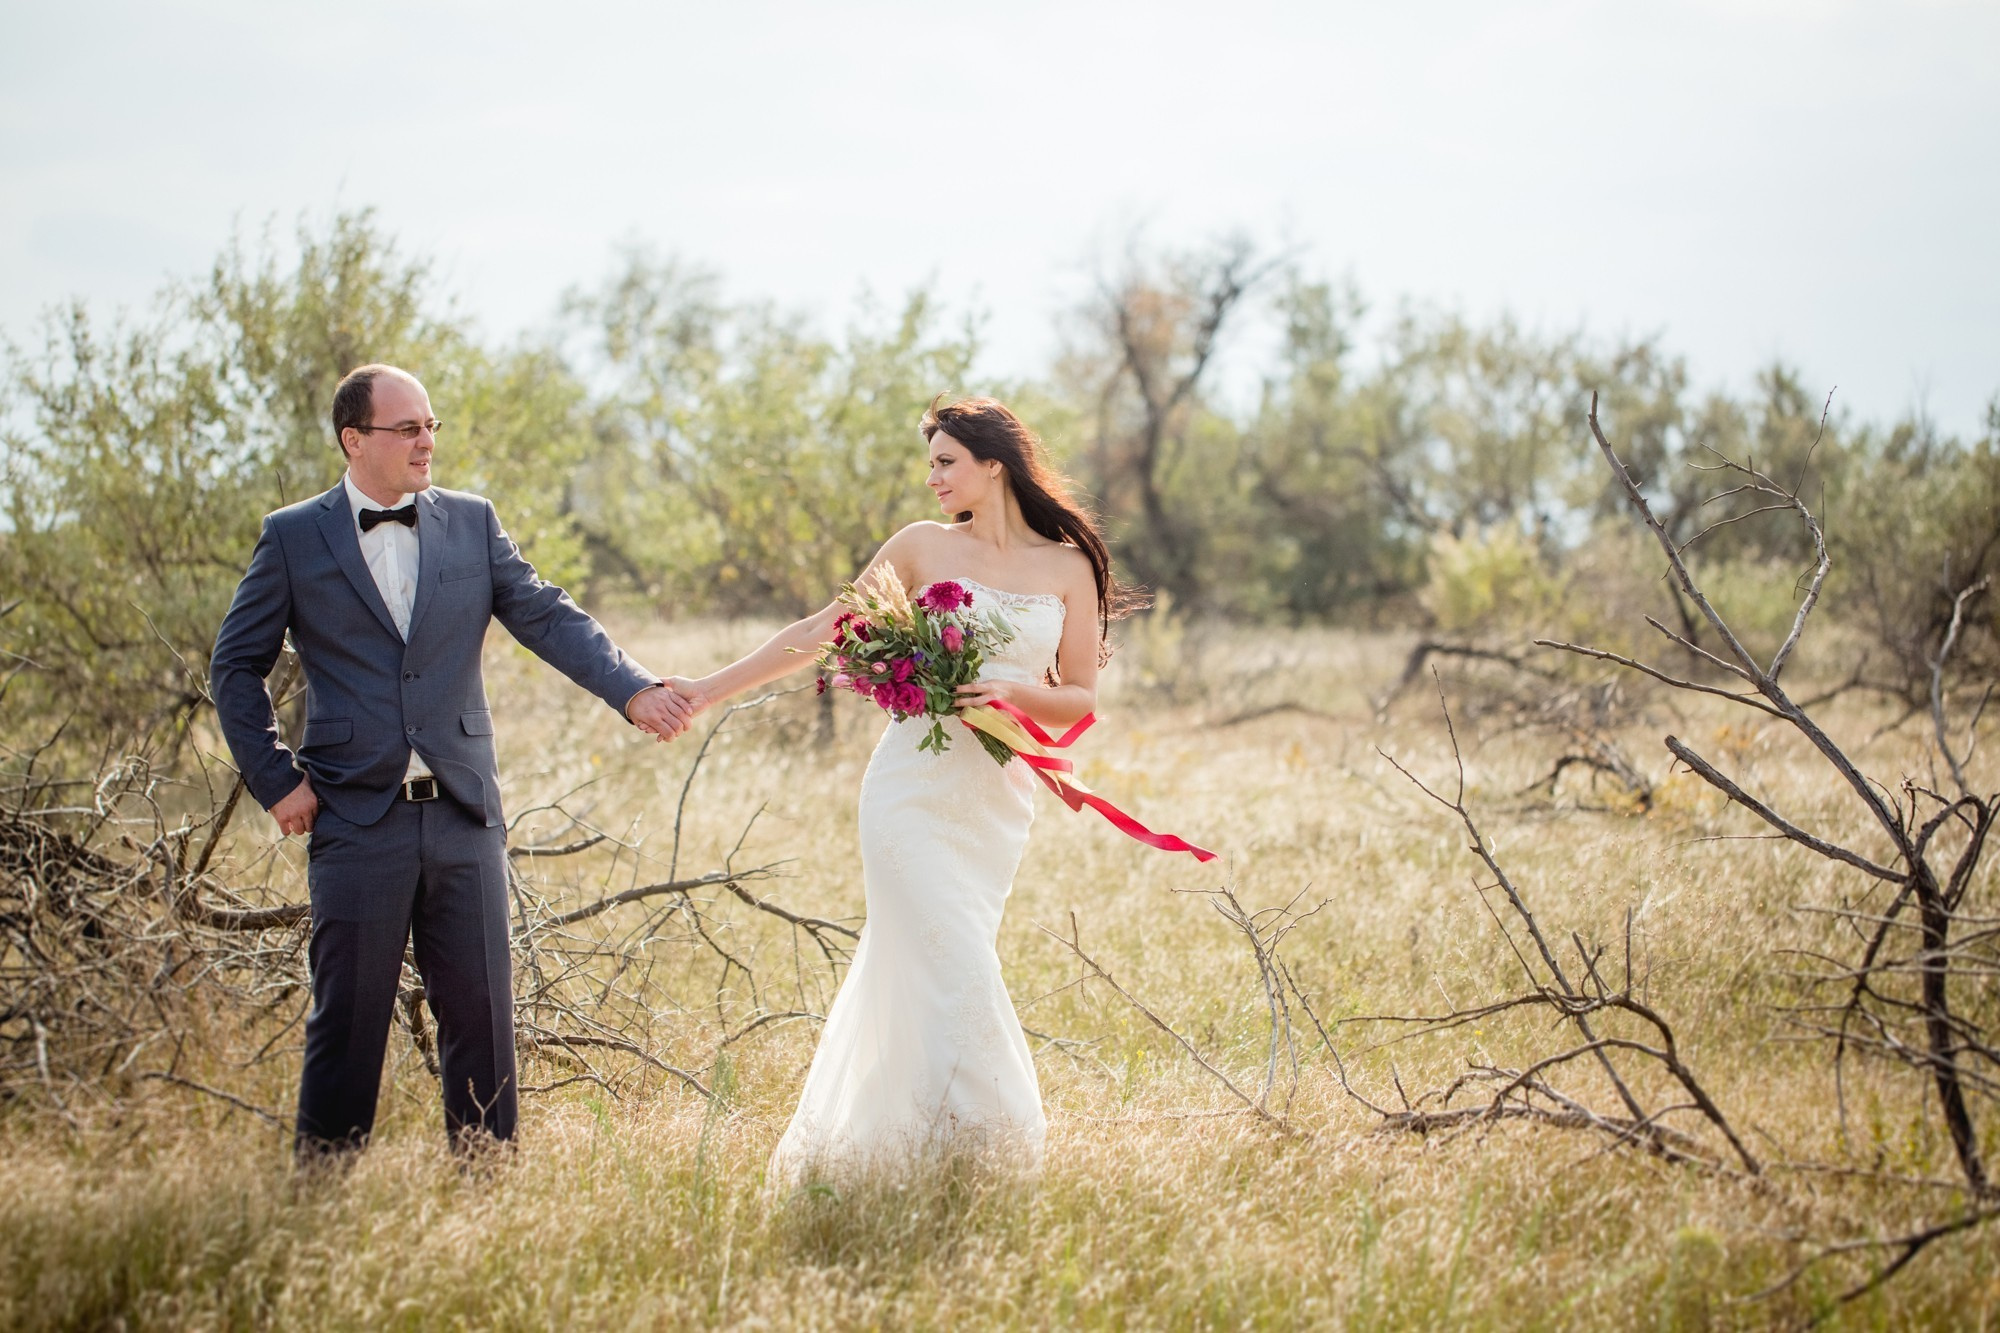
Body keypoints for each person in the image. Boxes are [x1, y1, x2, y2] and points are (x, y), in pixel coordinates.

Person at [210, 363, 696, 1161]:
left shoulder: (472, 523)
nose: (426, 439)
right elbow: (235, 667)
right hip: (352, 817)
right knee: (349, 1018)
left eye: (432, 424)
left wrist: (632, 688)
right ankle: (322, 1194)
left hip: (465, 813)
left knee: (483, 1018)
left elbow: (545, 614)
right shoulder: (294, 536)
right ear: (354, 439)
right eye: (407, 427)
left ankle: (487, 1191)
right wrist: (275, 777)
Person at [670, 395, 1133, 1181]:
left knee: (936, 960)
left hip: (996, 794)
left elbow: (1081, 695)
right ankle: (994, 1146)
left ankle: (905, 1156)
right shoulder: (920, 546)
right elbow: (820, 632)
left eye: (946, 462)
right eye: (931, 464)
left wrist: (1009, 694)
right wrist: (706, 688)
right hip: (909, 786)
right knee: (949, 956)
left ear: (995, 464)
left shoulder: (1067, 567)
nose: (932, 478)